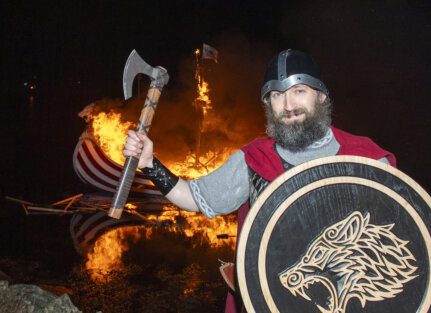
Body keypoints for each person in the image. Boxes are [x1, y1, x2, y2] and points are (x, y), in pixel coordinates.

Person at [123, 49, 396, 312]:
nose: (288, 106)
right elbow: (193, 198)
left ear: (321, 96)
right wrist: (149, 163)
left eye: (299, 91)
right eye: (277, 96)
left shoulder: (367, 160)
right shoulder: (253, 160)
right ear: (268, 104)